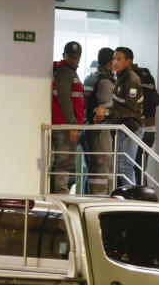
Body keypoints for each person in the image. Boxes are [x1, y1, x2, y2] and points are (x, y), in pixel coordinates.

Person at [101, 47, 145, 187]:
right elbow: (117, 105)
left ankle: (132, 200)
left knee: (126, 166)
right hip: (123, 128)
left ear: (128, 62)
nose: (115, 62)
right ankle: (127, 196)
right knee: (121, 166)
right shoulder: (120, 78)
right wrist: (104, 112)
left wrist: (107, 112)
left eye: (119, 59)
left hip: (132, 128)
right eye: (114, 58)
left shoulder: (131, 80)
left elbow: (132, 111)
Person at [50, 40, 84, 193]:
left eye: (75, 57)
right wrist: (73, 126)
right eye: (70, 56)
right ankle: (61, 197)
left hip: (65, 125)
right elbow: (65, 100)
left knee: (64, 162)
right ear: (64, 55)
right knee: (64, 163)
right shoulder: (64, 72)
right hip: (64, 126)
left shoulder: (68, 72)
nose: (73, 59)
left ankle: (60, 195)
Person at [83, 47, 116, 195]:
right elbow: (105, 109)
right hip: (101, 131)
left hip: (88, 128)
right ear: (110, 63)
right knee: (102, 166)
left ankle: (92, 196)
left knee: (92, 166)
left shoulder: (90, 78)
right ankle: (101, 199)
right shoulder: (106, 83)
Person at [132, 63, 159, 185]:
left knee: (133, 166)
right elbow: (157, 100)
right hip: (151, 130)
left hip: (138, 129)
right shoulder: (150, 82)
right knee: (141, 166)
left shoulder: (133, 81)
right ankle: (143, 195)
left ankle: (140, 196)